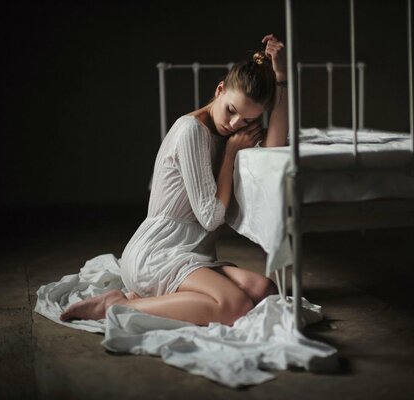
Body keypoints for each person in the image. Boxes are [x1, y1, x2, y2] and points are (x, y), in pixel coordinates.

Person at [60, 34, 288, 326]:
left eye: (246, 121)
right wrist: (230, 155)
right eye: (231, 110)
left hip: (193, 254)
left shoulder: (228, 132)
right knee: (237, 307)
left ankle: (134, 300)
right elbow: (210, 217)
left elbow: (273, 152)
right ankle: (117, 305)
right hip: (157, 253)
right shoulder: (190, 130)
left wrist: (281, 77)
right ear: (220, 90)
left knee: (265, 290)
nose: (234, 125)